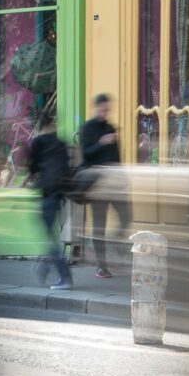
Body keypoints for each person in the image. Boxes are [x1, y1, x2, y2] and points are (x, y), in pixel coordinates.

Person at [78, 93, 131, 278]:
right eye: (102, 109)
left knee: (126, 216)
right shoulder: (87, 128)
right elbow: (85, 155)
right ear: (96, 108)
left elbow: (117, 157)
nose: (105, 112)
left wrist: (124, 180)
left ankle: (113, 243)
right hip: (97, 184)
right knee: (99, 224)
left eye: (107, 109)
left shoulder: (110, 127)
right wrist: (101, 143)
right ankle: (102, 266)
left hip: (114, 182)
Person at [26, 122, 74, 290]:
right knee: (51, 236)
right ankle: (45, 265)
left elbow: (31, 167)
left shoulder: (38, 142)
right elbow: (67, 170)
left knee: (50, 238)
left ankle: (64, 275)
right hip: (59, 196)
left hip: (47, 195)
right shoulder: (61, 143)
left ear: (41, 127)